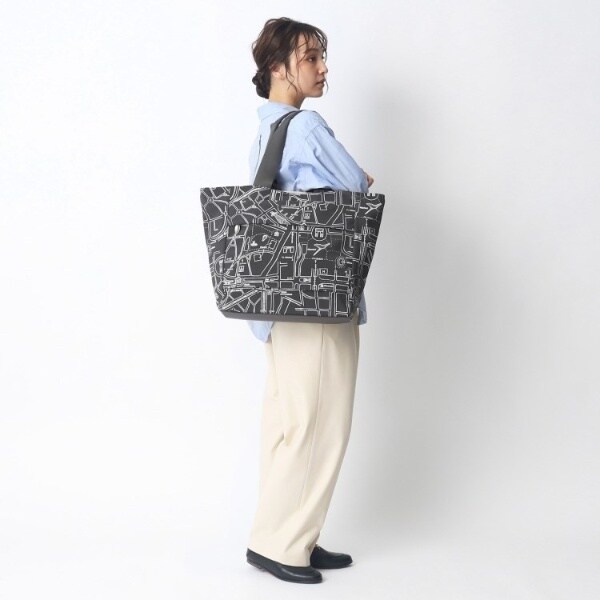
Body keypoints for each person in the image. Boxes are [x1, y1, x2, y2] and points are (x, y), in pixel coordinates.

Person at [245, 17, 375, 585]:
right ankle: (285, 545)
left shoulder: (265, 129)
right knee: (320, 424)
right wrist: (357, 175)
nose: (323, 69)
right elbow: (355, 183)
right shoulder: (306, 126)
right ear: (279, 68)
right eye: (311, 58)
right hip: (316, 303)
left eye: (323, 57)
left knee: (288, 424)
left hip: (278, 304)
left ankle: (280, 534)